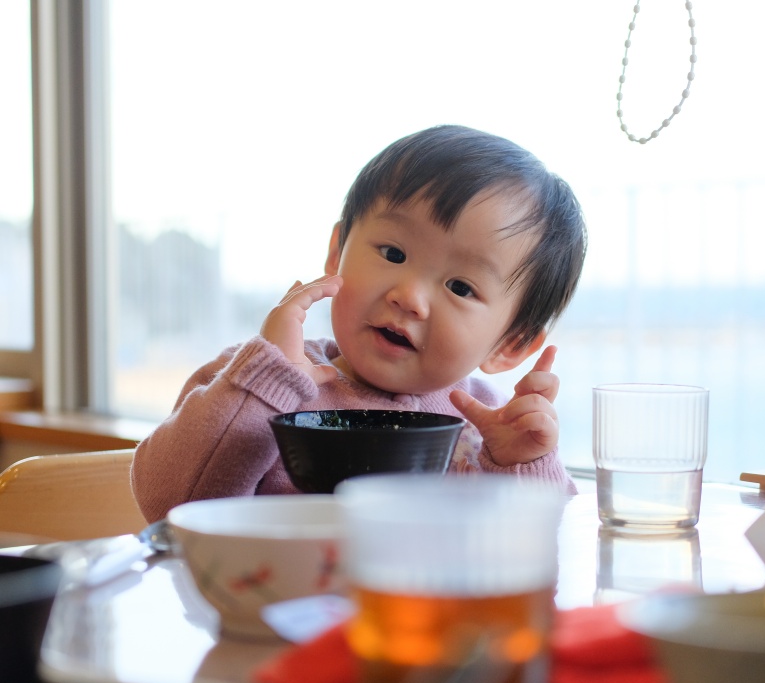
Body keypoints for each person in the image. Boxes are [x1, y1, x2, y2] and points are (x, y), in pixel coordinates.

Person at [131, 125, 587, 521]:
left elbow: (544, 550)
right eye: (393, 254)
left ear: (509, 344)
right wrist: (266, 382)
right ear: (337, 253)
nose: (409, 297)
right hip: (271, 616)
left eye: (461, 287)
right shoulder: (256, 378)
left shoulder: (487, 424)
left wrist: (522, 465)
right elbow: (171, 507)